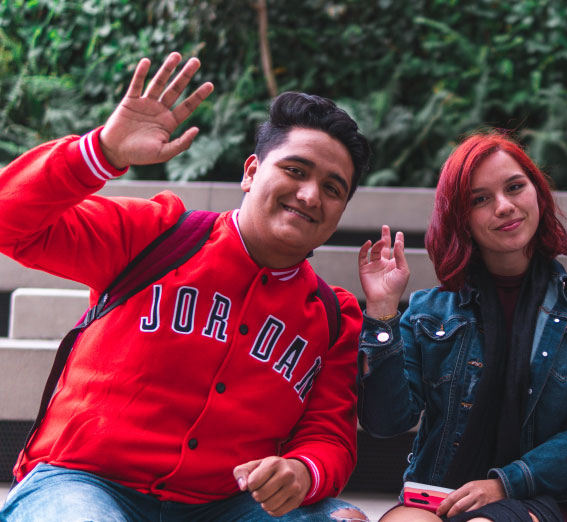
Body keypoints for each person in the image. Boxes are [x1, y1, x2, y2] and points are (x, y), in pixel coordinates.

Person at [0, 52, 371, 522]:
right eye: (295, 170)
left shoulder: (333, 317)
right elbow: (9, 222)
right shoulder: (157, 234)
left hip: (226, 507)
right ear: (251, 172)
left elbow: (329, 435)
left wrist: (303, 470)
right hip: (85, 482)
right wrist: (101, 152)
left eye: (333, 188)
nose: (310, 194)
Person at [356, 132, 567, 522]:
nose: (504, 207)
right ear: (460, 217)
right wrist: (382, 311)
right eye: (479, 199)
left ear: (537, 193)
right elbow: (385, 423)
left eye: (515, 187)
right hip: (437, 494)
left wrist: (505, 484)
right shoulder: (428, 312)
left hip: (539, 498)